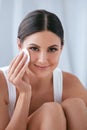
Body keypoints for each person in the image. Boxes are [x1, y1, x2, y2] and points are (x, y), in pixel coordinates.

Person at [0, 9, 87, 130]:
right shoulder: (2, 82)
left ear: (61, 48)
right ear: (20, 45)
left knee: (76, 106)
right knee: (51, 111)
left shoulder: (70, 84)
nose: (43, 60)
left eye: (52, 49)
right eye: (34, 48)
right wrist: (25, 94)